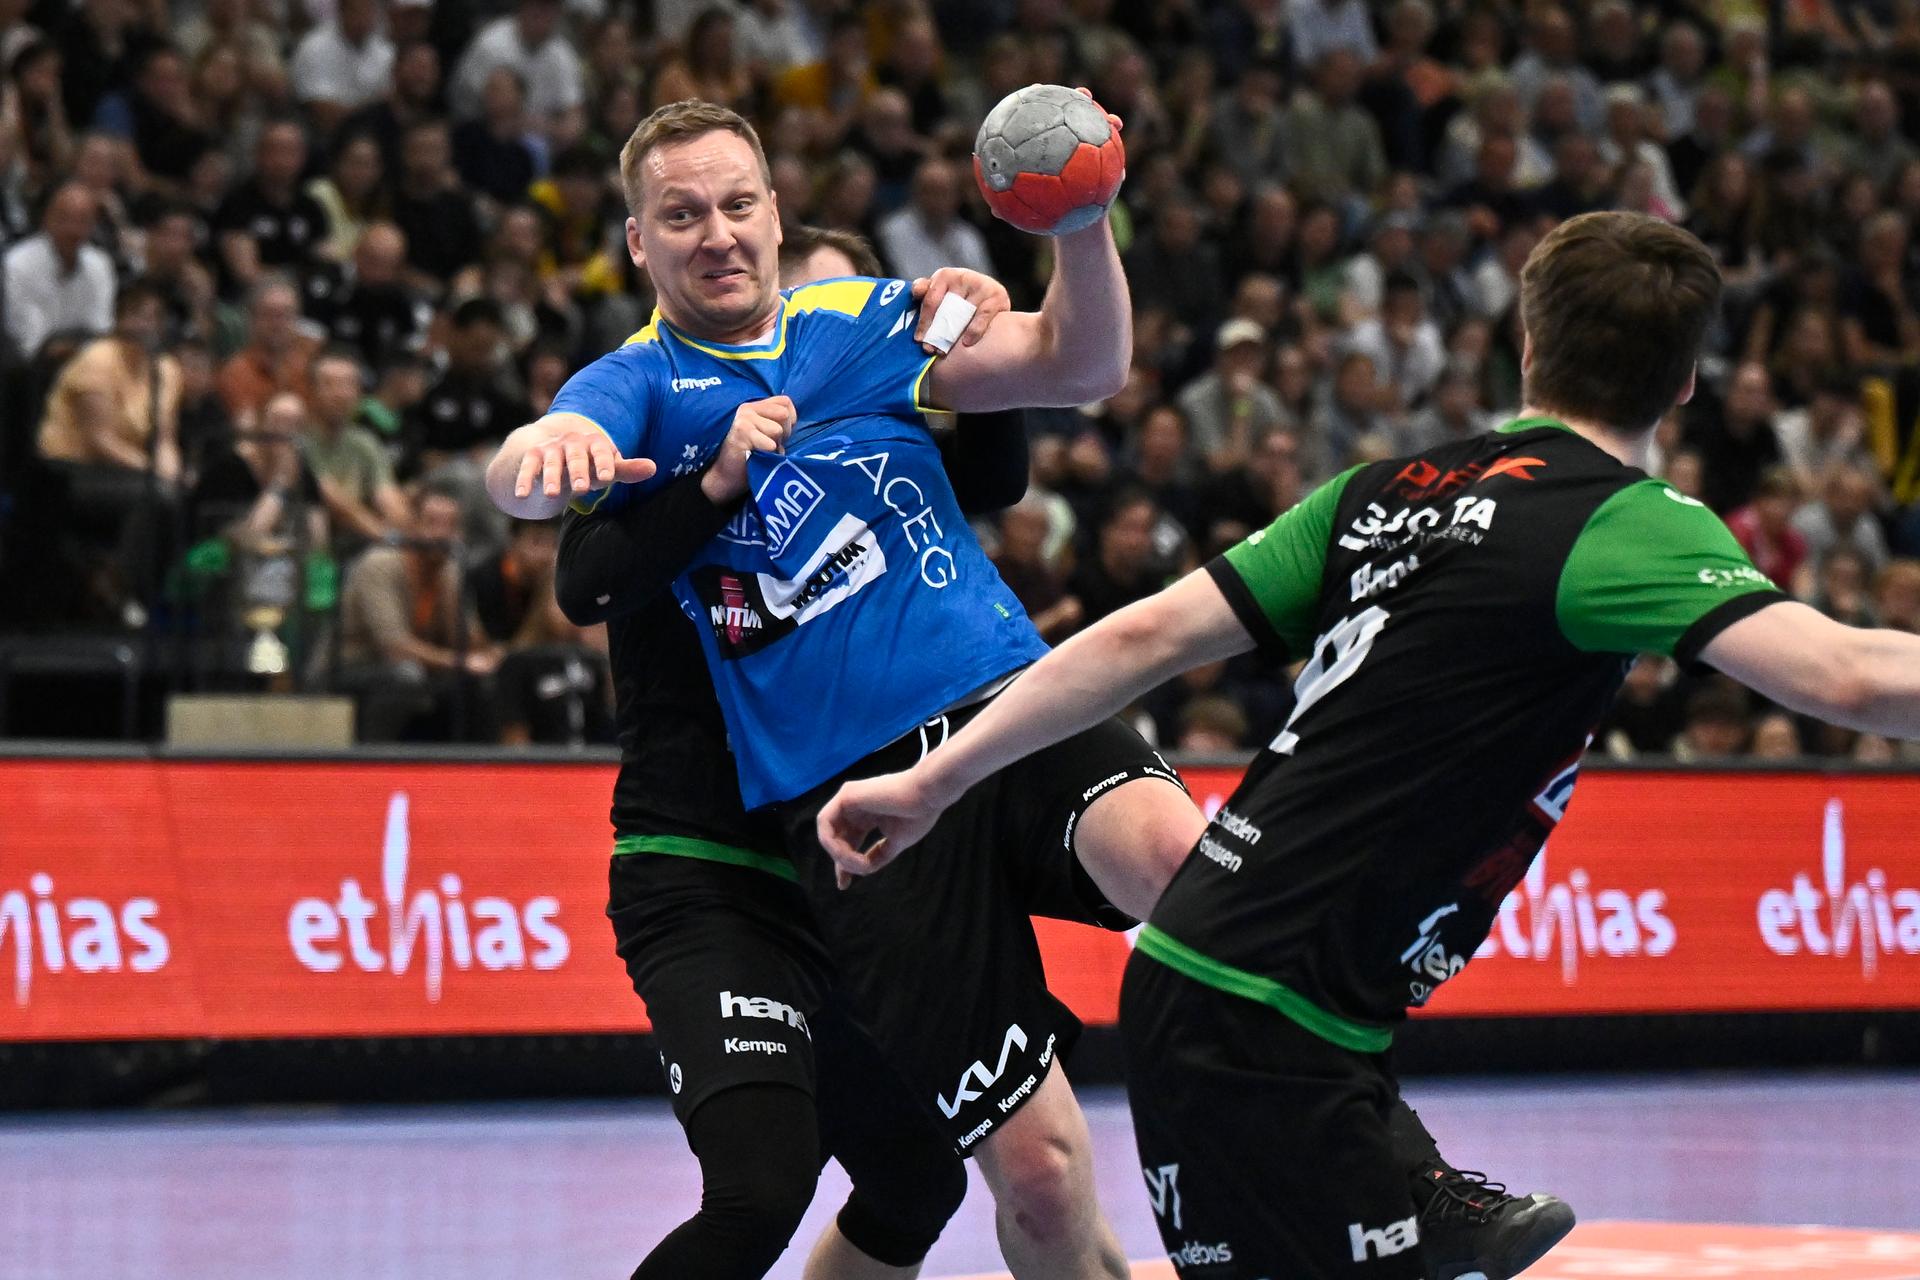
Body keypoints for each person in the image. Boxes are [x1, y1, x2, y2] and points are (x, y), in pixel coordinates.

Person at [493, 99, 1563, 1280]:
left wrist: (1082, 226)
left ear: (777, 214)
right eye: (682, 215)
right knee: (1043, 1180)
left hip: (1011, 710)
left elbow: (1083, 362)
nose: (717, 234)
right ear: (638, 240)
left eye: (738, 204)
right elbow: (539, 469)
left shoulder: (855, 322)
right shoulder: (638, 383)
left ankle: (1406, 1184)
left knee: (1193, 870)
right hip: (865, 806)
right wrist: (546, 452)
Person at [819, 211, 1920, 1278]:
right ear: (1686, 382)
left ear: (1526, 344)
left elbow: (1141, 636)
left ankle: (1423, 1182)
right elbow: (1848, 675)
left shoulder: (1388, 488)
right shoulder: (1627, 521)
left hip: (1222, 981)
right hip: (1269, 1019)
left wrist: (935, 779)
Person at [520, 225, 1018, 1276]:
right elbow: (583, 583)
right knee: (759, 1189)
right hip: (705, 867)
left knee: (918, 1175)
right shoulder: (673, 424)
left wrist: (979, 342)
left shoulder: (869, 443)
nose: (817, 348)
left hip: (836, 873)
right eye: (808, 314)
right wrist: (716, 482)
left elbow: (994, 477)